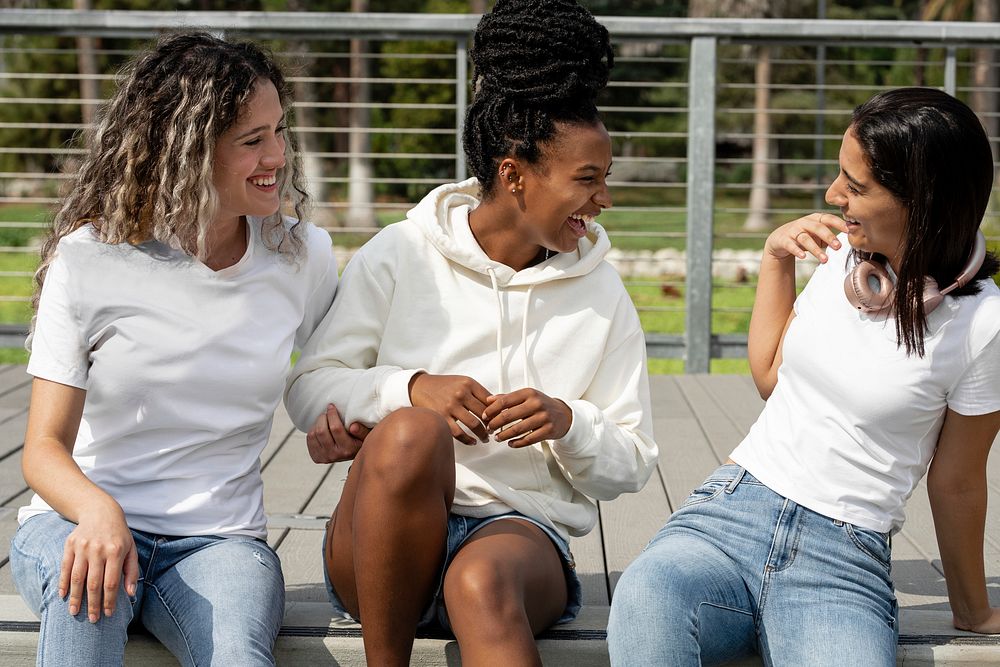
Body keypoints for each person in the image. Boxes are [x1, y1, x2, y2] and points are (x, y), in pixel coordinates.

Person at [283, 1, 658, 664]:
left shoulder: (601, 293)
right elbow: (310, 387)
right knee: (411, 430)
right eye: (588, 180)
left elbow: (632, 459)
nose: (603, 201)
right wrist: (409, 387)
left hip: (517, 539)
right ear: (515, 175)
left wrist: (568, 421)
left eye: (605, 180)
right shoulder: (400, 253)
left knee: (479, 581)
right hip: (377, 544)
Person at [607, 87, 1000, 666]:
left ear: (923, 199)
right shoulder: (845, 260)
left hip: (844, 557)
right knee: (646, 599)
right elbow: (772, 377)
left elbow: (958, 481)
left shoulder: (983, 323)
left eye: (855, 185)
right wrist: (775, 259)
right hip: (730, 511)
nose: (832, 195)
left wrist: (972, 610)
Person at [9, 32, 338, 666]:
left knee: (238, 654)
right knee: (86, 600)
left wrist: (337, 418)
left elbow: (330, 375)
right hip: (81, 521)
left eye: (279, 131)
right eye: (252, 140)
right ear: (185, 151)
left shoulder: (300, 256)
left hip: (220, 541)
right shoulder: (90, 258)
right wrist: (99, 513)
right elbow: (44, 449)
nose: (278, 156)